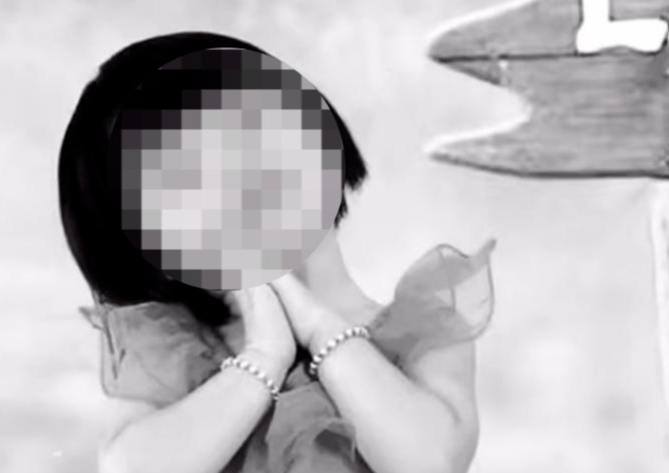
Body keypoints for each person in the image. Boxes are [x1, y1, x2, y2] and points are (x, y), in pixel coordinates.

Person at [59, 31, 496, 473]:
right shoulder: (173, 357)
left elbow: (431, 461)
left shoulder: (423, 329)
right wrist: (264, 357)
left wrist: (319, 327)